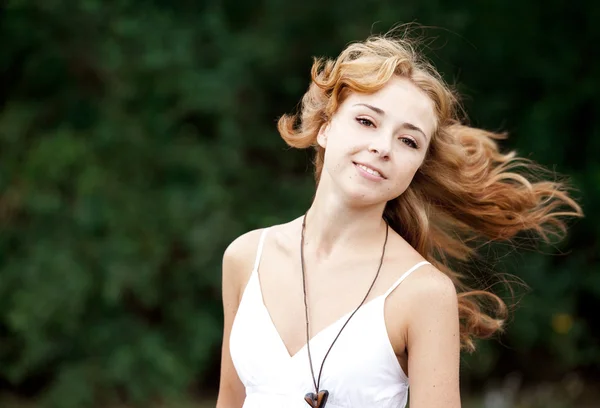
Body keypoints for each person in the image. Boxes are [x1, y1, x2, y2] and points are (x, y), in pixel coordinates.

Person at [215, 30, 583, 408]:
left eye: (408, 141)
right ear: (325, 127)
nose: (382, 147)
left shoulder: (423, 294)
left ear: (418, 164)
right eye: (366, 121)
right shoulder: (245, 258)